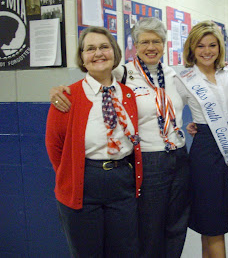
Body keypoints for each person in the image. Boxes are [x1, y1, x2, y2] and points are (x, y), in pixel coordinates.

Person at [50, 17, 190, 258]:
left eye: (156, 41)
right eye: (144, 41)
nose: (151, 46)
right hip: (133, 164)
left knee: (166, 229)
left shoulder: (169, 77)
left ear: (165, 44)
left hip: (162, 162)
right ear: (134, 45)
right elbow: (55, 146)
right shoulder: (121, 74)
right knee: (144, 231)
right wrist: (56, 89)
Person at [45, 26, 142, 257]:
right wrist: (72, 175)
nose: (98, 53)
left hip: (122, 182)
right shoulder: (66, 96)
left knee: (124, 251)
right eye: (90, 49)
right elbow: (54, 146)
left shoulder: (127, 94)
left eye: (104, 47)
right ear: (82, 58)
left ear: (115, 53)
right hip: (84, 182)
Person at [176, 20, 228, 258]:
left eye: (212, 45)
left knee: (219, 219)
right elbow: (167, 108)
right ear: (192, 49)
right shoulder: (183, 79)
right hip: (205, 150)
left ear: (220, 48)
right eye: (201, 46)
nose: (207, 51)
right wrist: (187, 125)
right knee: (210, 220)